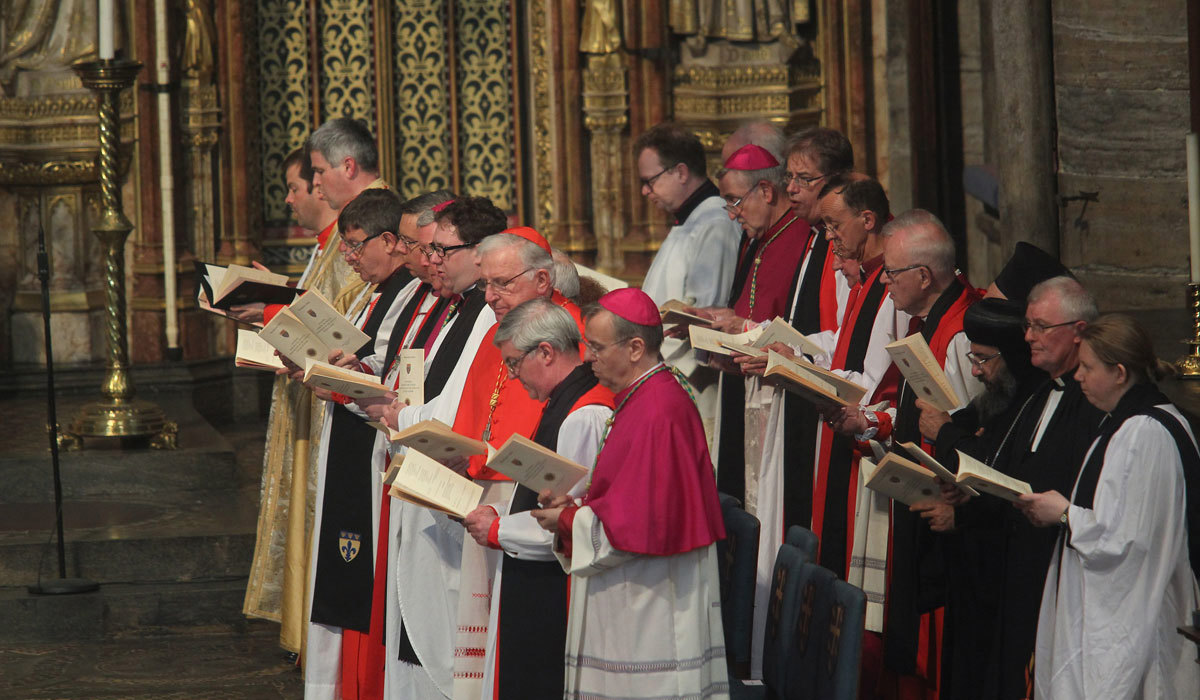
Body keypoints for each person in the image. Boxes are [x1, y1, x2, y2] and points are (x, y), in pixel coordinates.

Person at [533, 288, 728, 699]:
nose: (589, 358)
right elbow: (625, 497)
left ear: (636, 347)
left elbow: (638, 524)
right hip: (637, 589)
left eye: (599, 348)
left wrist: (567, 519)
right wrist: (573, 508)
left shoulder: (657, 410)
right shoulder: (645, 393)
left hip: (651, 601)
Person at [838, 209, 984, 696]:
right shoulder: (929, 321)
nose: (884, 284)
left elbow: (972, 438)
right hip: (920, 503)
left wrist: (954, 502)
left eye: (892, 274)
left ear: (924, 276)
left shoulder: (961, 335)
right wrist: (874, 423)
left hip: (948, 522)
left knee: (939, 656)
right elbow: (912, 410)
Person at [1018, 314, 1200, 699]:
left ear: (1119, 373)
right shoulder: (1133, 422)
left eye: (1087, 367)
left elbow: (1127, 541)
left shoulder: (1143, 433)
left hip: (1143, 615)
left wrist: (1064, 513)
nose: (1078, 376)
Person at [955, 275, 1104, 700]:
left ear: (1079, 332)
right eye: (1028, 326)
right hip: (1015, 573)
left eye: (1041, 327)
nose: (1029, 338)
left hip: (1058, 577)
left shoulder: (1092, 405)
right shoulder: (1039, 393)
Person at [298, 189, 415, 700]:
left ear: (390, 242)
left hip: (372, 448)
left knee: (360, 569)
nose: (348, 256)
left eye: (354, 245)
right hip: (350, 434)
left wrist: (348, 378)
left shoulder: (407, 293)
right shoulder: (376, 292)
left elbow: (392, 373)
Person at [465, 298, 613, 700]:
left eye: (513, 363)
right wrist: (500, 512)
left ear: (546, 352)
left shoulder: (583, 415)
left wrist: (497, 529)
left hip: (557, 593)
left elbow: (572, 524)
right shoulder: (566, 399)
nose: (511, 376)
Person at [242, 145, 357, 656]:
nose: (300, 194)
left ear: (345, 168)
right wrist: (280, 292)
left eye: (308, 178)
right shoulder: (331, 242)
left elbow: (342, 323)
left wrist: (273, 305)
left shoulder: (355, 231)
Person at [634, 122, 741, 442]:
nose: (644, 191)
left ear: (680, 172)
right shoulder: (690, 221)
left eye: (649, 181)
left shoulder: (715, 223)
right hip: (666, 377)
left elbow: (706, 316)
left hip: (692, 383)